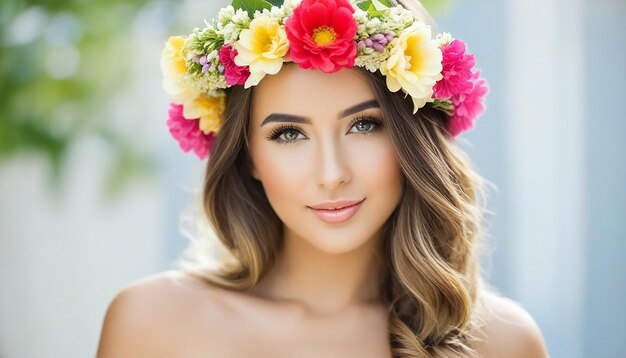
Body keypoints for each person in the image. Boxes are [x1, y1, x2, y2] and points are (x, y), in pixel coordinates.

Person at [97, 0, 549, 356]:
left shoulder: (504, 344)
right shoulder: (153, 323)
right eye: (289, 134)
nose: (331, 174)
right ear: (249, 155)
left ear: (413, 139)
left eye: (365, 125)